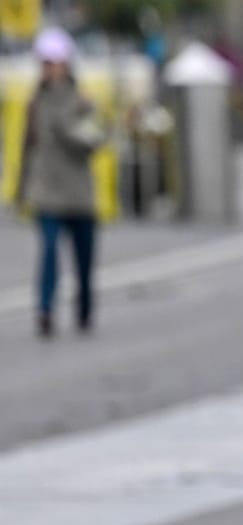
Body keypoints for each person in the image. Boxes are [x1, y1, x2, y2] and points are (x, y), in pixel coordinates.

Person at [16, 28, 106, 339]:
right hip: (47, 192)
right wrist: (20, 192)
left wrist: (69, 128)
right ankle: (45, 309)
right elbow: (26, 148)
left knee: (84, 261)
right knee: (49, 251)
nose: (51, 68)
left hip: (79, 193)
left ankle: (84, 309)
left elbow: (94, 140)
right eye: (46, 63)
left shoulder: (82, 101)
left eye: (56, 62)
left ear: (67, 64)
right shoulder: (34, 103)